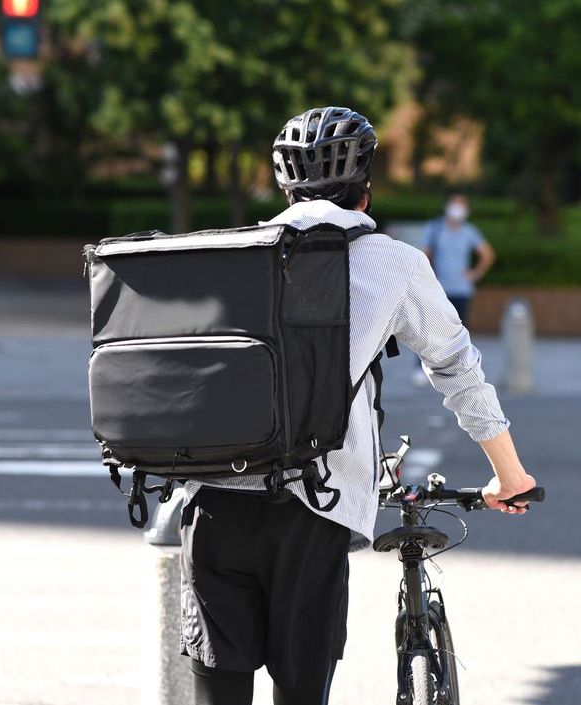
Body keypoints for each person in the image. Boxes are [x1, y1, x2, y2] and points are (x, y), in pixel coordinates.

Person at [177, 106, 537, 705]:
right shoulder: (394, 262)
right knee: (301, 689)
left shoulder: (235, 252)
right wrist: (509, 472)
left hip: (213, 500)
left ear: (286, 191)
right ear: (364, 194)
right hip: (315, 504)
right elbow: (456, 368)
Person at [421, 193, 497, 326]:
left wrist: (476, 273)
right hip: (439, 289)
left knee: (460, 329)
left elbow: (488, 254)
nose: (458, 208)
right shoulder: (434, 228)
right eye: (455, 203)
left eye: (462, 205)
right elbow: (424, 255)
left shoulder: (469, 231)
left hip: (461, 290)